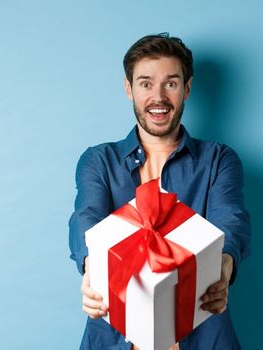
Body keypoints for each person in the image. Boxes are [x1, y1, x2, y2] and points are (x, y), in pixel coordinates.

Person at [68, 33, 251, 350]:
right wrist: (92, 267)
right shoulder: (99, 161)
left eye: (171, 83)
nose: (159, 97)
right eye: (145, 83)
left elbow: (230, 219)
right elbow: (86, 217)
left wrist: (223, 266)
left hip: (204, 331)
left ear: (187, 89)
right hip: (113, 336)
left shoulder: (219, 160)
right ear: (129, 89)